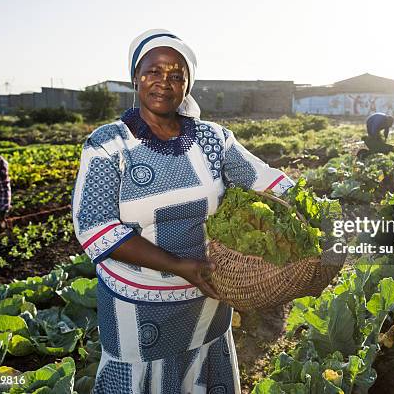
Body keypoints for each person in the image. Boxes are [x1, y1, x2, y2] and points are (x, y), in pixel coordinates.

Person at [73, 29, 293, 394]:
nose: (164, 82)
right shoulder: (108, 144)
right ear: (135, 77)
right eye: (153, 71)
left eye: (176, 75)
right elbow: (96, 229)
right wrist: (178, 266)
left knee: (203, 376)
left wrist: (316, 213)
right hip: (137, 304)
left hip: (206, 298)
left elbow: (263, 179)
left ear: (188, 85)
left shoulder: (212, 139)